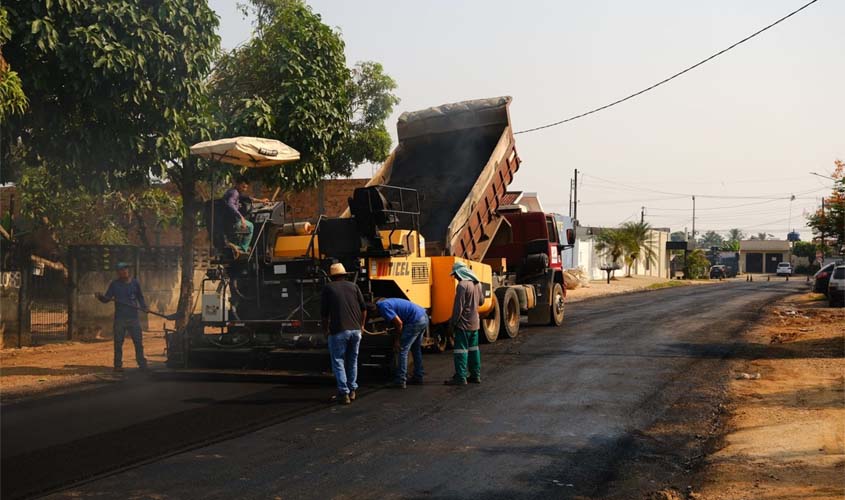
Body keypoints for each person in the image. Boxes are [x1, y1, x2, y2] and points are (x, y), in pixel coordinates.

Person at [321, 263, 367, 405]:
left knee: (338, 361)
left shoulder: (328, 288)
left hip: (339, 330)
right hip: (356, 331)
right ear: (344, 274)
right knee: (352, 360)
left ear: (332, 276)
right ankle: (352, 390)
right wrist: (362, 326)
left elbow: (324, 314)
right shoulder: (354, 286)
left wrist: (325, 330)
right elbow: (364, 308)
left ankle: (343, 393)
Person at [95, 262, 148, 372]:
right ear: (118, 273)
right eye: (120, 270)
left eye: (125, 269)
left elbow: (140, 297)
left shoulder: (135, 283)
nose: (123, 272)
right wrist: (100, 297)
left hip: (134, 318)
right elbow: (107, 299)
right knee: (118, 343)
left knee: (138, 342)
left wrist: (144, 307)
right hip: (120, 319)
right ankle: (117, 365)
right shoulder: (114, 284)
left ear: (128, 271)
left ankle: (142, 363)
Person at [370, 298, 428, 389]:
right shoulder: (383, 303)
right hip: (423, 316)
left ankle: (400, 380)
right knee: (416, 349)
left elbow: (399, 323)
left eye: (373, 316)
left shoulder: (383, 307)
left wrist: (397, 341)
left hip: (415, 321)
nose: (374, 317)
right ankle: (418, 376)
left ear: (374, 311)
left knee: (402, 350)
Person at [445, 261, 484, 386]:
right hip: (475, 323)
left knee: (460, 351)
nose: (455, 277)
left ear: (460, 272)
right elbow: (482, 302)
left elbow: (458, 308)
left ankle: (461, 377)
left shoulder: (462, 285)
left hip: (463, 325)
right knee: (474, 350)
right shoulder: (477, 284)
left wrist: (452, 324)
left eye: (455, 274)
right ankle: (475, 375)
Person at [221, 176, 269, 256]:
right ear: (237, 184)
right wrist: (241, 217)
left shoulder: (233, 191)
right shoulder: (234, 193)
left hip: (227, 222)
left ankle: (235, 247)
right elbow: (230, 204)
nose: (244, 189)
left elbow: (247, 198)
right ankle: (242, 249)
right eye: (243, 187)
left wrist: (261, 201)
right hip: (232, 222)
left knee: (243, 230)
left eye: (246, 187)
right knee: (250, 226)